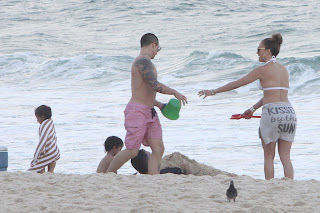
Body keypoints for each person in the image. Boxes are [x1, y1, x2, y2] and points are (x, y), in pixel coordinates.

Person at [198, 33, 297, 180]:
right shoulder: (284, 70)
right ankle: (291, 186)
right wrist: (252, 109)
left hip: (272, 113)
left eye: (259, 49)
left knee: (269, 155)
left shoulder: (262, 70)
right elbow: (272, 94)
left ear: (268, 51)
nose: (257, 52)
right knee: (285, 156)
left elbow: (238, 83)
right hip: (289, 113)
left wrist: (214, 91)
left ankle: (270, 186)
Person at [107, 33, 188, 175]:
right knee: (132, 150)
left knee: (158, 148)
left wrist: (159, 105)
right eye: (158, 48)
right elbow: (155, 85)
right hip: (137, 111)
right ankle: (109, 174)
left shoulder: (147, 63)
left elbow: (146, 91)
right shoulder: (142, 62)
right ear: (153, 45)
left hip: (150, 112)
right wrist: (174, 92)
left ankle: (153, 177)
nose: (157, 52)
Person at [131, 149, 236, 177]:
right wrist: (188, 168)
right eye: (151, 155)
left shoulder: (144, 175)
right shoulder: (164, 172)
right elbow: (188, 176)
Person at [28, 105, 60, 173]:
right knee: (50, 162)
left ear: (42, 117)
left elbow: (42, 142)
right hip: (54, 151)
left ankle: (43, 173)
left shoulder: (44, 126)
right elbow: (53, 138)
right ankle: (51, 173)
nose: (37, 120)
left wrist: (36, 157)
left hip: (49, 152)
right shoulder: (50, 123)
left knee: (36, 166)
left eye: (37, 118)